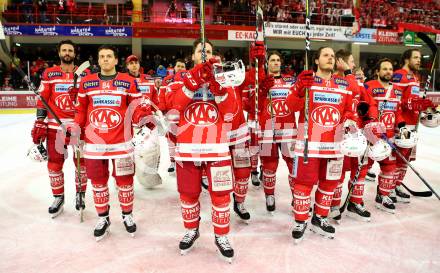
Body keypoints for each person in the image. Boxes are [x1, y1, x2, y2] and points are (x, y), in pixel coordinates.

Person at [166, 38, 238, 262]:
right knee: (188, 194)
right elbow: (174, 107)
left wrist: (218, 88)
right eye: (201, 51)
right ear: (193, 56)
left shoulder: (225, 81)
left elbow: (232, 111)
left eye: (208, 51)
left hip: (217, 148)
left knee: (221, 196)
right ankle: (191, 230)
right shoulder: (179, 81)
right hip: (188, 149)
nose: (205, 55)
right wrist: (192, 82)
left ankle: (221, 236)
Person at [72, 45, 151, 241]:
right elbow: (81, 110)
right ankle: (103, 217)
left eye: (109, 56)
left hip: (121, 144)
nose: (105, 59)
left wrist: (143, 116)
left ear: (116, 61)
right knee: (98, 183)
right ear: (98, 61)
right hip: (94, 144)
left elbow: (135, 109)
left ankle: (127, 215)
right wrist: (75, 129)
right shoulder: (87, 83)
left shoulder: (129, 82)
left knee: (125, 183)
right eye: (102, 57)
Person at [286, 47, 355, 243]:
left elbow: (349, 109)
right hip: (309, 143)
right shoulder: (307, 80)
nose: (330, 58)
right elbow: (291, 106)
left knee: (330, 182)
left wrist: (350, 120)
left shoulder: (343, 83)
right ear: (316, 60)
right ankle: (300, 220)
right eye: (326, 55)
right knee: (303, 184)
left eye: (333, 56)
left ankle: (320, 217)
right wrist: (300, 88)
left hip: (335, 144)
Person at [31, 40, 89, 218]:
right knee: (55, 164)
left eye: (70, 50)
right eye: (64, 50)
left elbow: (88, 100)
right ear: (59, 53)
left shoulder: (84, 73)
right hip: (55, 127)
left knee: (81, 164)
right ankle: (58, 197)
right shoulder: (50, 73)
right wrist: (40, 121)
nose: (67, 53)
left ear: (74, 53)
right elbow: (43, 99)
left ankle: (80, 195)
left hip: (78, 126)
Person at [330, 49, 378, 223]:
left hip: (357, 134)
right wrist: (349, 74)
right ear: (340, 62)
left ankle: (354, 202)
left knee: (360, 171)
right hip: (338, 135)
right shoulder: (333, 80)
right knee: (337, 172)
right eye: (350, 61)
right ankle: (333, 204)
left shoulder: (355, 82)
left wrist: (371, 118)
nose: (353, 65)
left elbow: (369, 101)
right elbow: (348, 89)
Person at [254, 51, 297, 213]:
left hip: (288, 129)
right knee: (269, 166)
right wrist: (262, 89)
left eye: (278, 60)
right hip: (267, 129)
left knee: (293, 165)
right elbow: (254, 103)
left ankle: (297, 196)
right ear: (268, 63)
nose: (276, 63)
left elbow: (298, 100)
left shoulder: (290, 80)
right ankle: (269, 195)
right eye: (272, 60)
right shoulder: (262, 79)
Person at [391, 49, 434, 203]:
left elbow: (414, 101)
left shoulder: (415, 77)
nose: (418, 60)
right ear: (406, 59)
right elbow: (394, 100)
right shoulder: (399, 75)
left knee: (406, 158)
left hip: (413, 124)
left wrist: (423, 110)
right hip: (402, 124)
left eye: (420, 58)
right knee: (398, 157)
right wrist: (413, 104)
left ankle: (396, 184)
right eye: (415, 57)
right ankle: (388, 187)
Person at [364, 58, 406, 213]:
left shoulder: (396, 90)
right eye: (385, 69)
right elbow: (363, 109)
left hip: (389, 138)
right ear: (377, 72)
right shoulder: (369, 86)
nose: (388, 72)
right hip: (372, 136)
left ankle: (383, 196)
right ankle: (355, 201)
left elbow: (398, 112)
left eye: (390, 69)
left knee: (390, 168)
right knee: (362, 170)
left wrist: (401, 125)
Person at [159, 59, 186, 173]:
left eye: (182, 66)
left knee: (185, 139)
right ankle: (173, 162)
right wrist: (162, 109)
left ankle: (185, 161)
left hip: (186, 115)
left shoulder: (190, 78)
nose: (180, 68)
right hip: (170, 115)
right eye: (178, 66)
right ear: (174, 68)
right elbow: (161, 96)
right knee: (171, 140)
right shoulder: (166, 80)